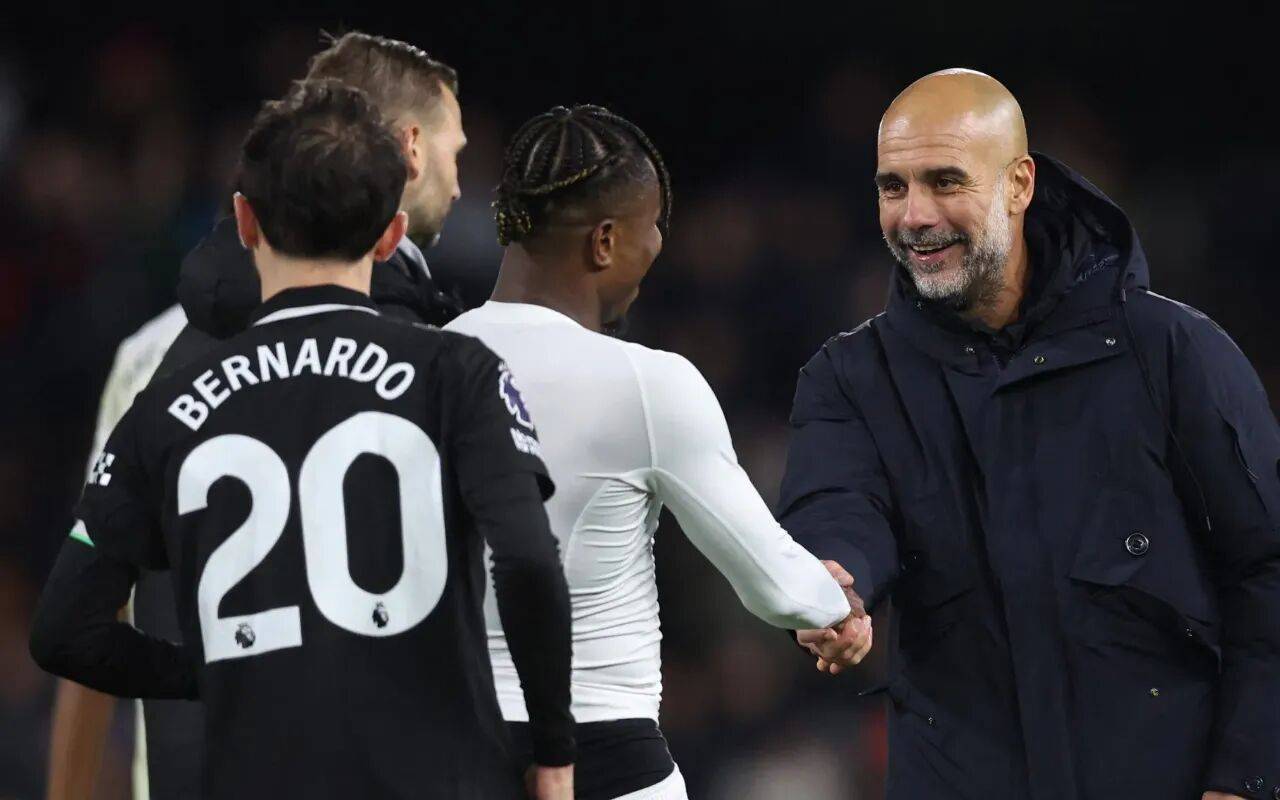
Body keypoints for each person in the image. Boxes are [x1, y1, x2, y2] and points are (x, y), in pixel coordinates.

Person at [30, 80, 574, 800]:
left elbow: (64, 633)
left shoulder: (167, 406)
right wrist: (553, 752)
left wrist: (204, 670)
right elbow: (530, 561)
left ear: (245, 222)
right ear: (392, 235)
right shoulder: (459, 372)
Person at [781, 69, 1280, 800]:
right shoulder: (850, 377)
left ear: (1019, 185)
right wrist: (834, 582)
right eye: (893, 187)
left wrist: (1245, 779)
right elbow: (838, 507)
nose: (914, 215)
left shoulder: (1171, 352)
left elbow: (1265, 570)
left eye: (945, 181)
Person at [445, 104, 857, 800]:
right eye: (654, 224)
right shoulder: (645, 382)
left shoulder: (418, 369)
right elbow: (775, 583)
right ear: (605, 241)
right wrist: (834, 605)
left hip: (449, 756)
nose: (660, 244)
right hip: (604, 761)